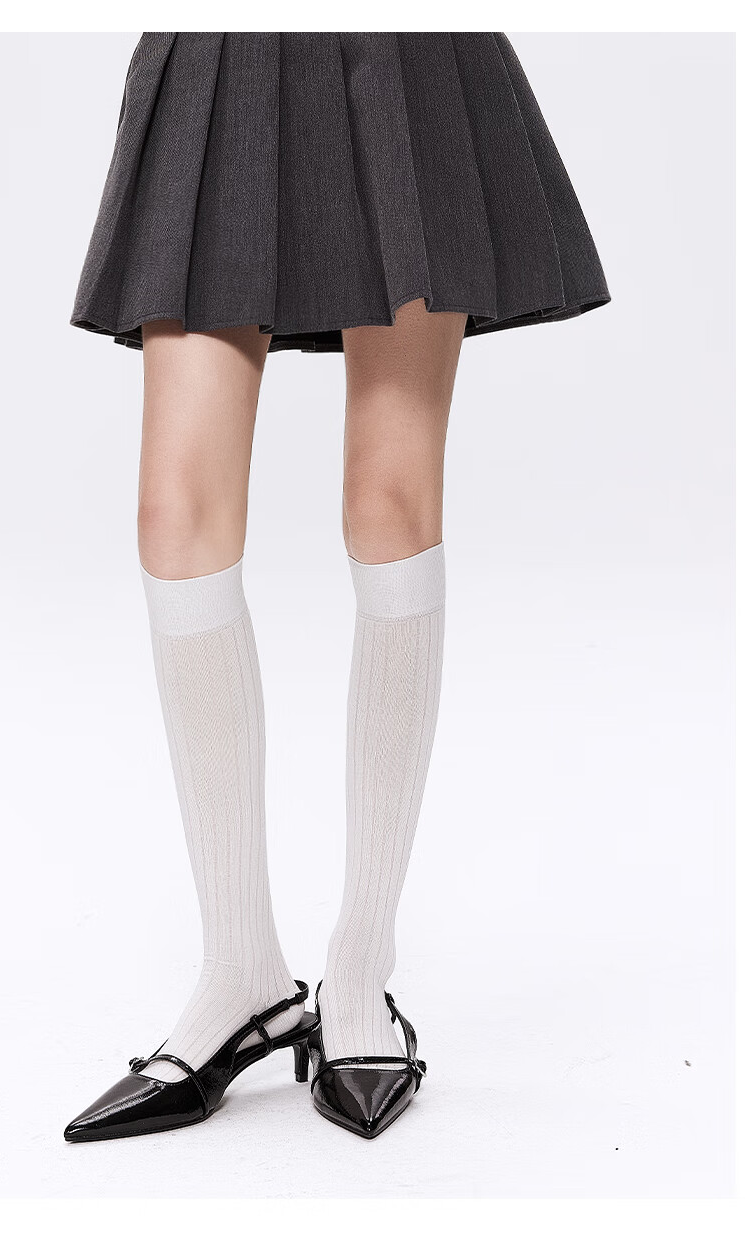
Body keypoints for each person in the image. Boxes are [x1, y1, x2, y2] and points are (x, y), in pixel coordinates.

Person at [63, 31, 610, 1143]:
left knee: (392, 499)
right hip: (222, 53)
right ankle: (242, 974)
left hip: (399, 53)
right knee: (175, 512)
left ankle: (360, 973)